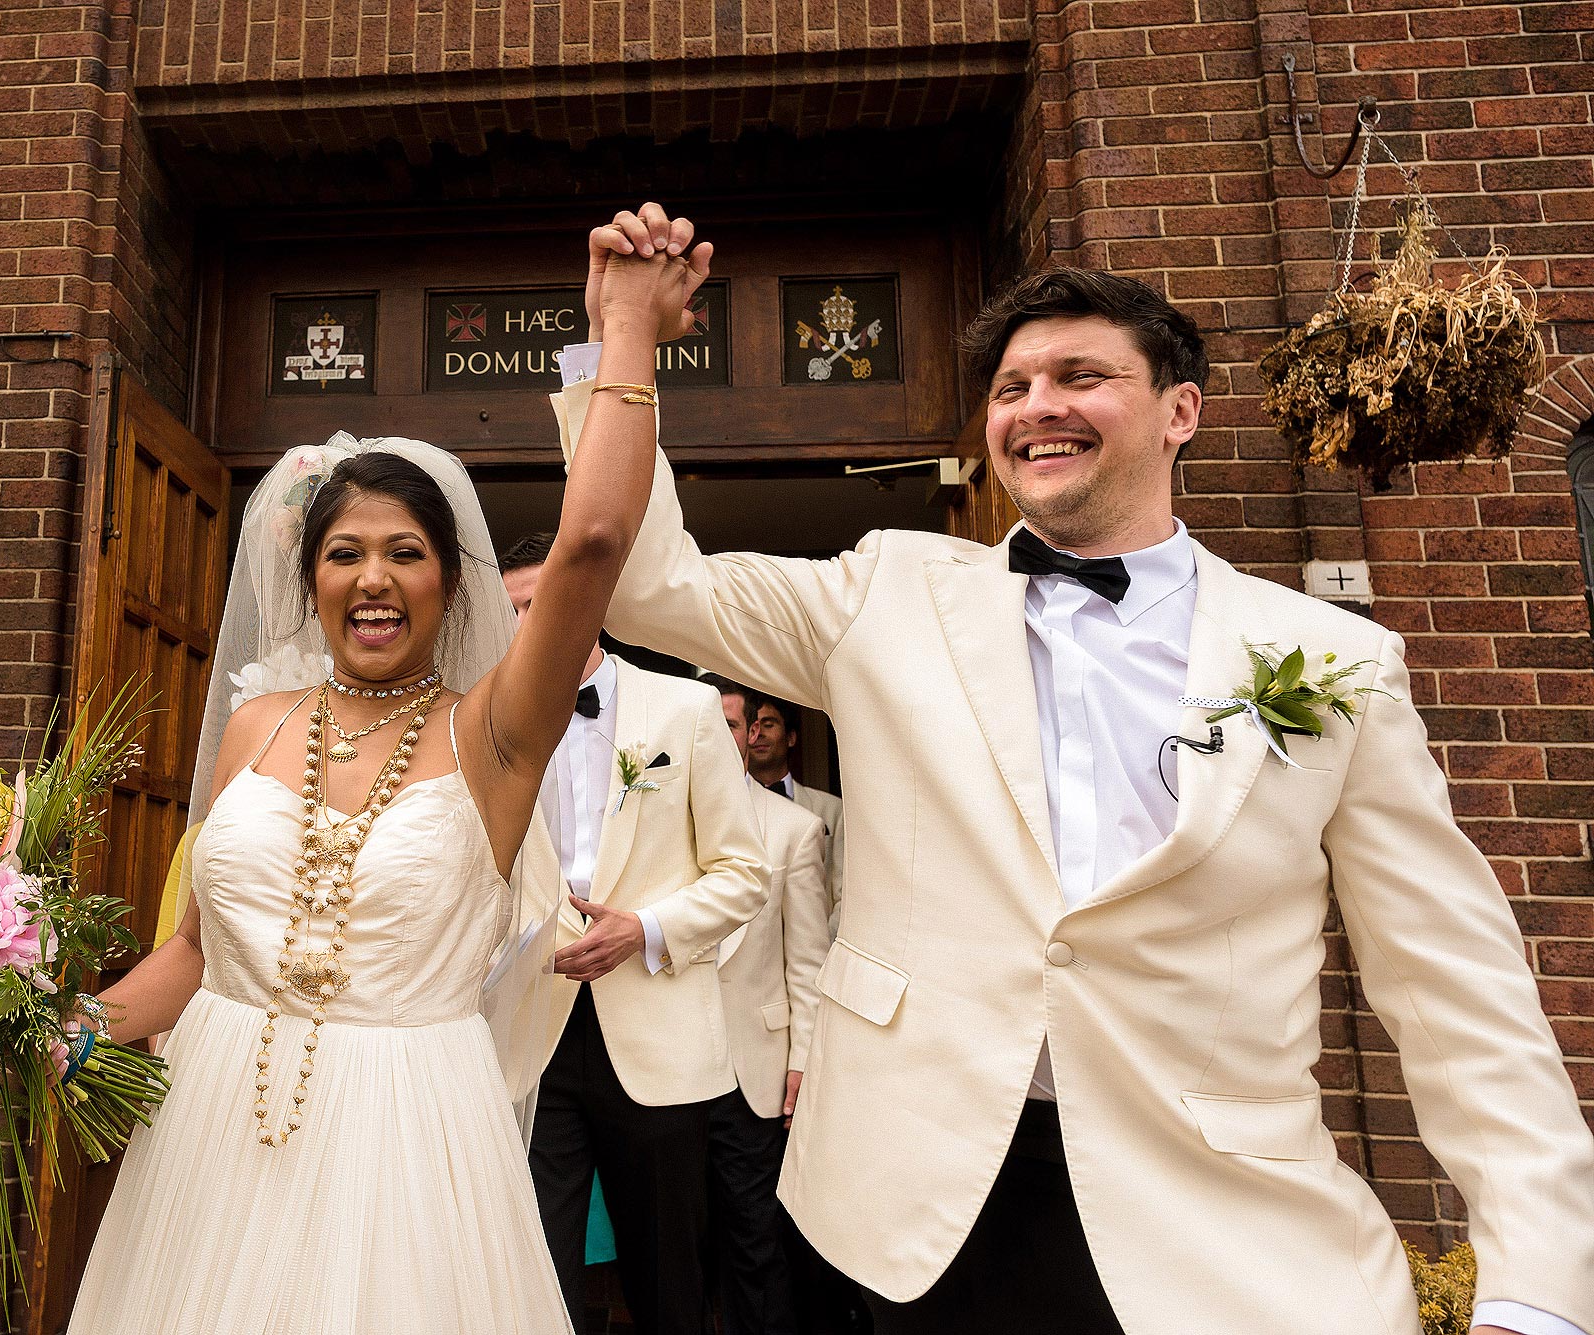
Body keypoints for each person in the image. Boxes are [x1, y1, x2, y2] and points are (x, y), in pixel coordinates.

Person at [550, 204, 1594, 1335]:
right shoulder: (886, 591)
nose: (1037, 406)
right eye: (1009, 389)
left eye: (1080, 376)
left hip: (1217, 1226)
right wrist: (622, 341)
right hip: (915, 1204)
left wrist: (1535, 1285)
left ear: (1177, 412)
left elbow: (1453, 989)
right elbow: (647, 585)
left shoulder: (1336, 660)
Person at [58, 230, 711, 1335]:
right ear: (307, 578)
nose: (373, 576)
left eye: (405, 552)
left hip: (407, 1146)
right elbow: (195, 954)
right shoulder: (256, 725)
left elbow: (595, 541)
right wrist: (35, 1029)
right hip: (208, 1139)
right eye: (344, 552)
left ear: (449, 585)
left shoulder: (492, 737)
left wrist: (626, 333)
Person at [501, 534, 770, 1335]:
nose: (530, 623)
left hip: (656, 1033)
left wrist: (646, 929)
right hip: (528, 1031)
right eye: (514, 609)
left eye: (543, 602)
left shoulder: (682, 709)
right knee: (531, 1270)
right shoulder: (486, 720)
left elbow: (743, 873)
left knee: (665, 1280)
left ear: (592, 601)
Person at [700, 674, 829, 1335]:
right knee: (677, 1248)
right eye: (708, 723)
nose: (720, 737)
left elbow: (807, 963)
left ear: (752, 733)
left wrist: (803, 1058)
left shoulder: (796, 830)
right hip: (669, 1068)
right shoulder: (651, 821)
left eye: (731, 724)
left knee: (757, 1243)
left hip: (757, 1069)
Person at [745, 694, 846, 932]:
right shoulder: (730, 808)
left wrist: (825, 947)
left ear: (790, 738)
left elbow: (846, 895)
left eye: (769, 725)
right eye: (753, 727)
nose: (759, 734)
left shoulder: (833, 810)